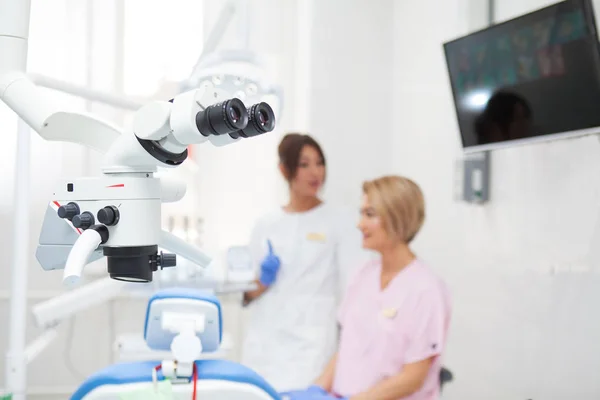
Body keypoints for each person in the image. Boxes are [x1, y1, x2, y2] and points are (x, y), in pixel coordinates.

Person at [281, 175, 452, 400]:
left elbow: (413, 378)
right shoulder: (363, 274)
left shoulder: (426, 289)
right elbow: (347, 349)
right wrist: (317, 390)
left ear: (397, 217)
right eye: (361, 213)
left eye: (369, 214)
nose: (359, 224)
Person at [240, 133, 370, 392]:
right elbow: (247, 293)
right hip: (265, 343)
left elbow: (355, 290)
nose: (316, 172)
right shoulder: (266, 224)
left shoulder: (340, 221)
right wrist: (262, 281)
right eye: (304, 164)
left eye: (319, 163)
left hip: (312, 347)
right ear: (284, 170)